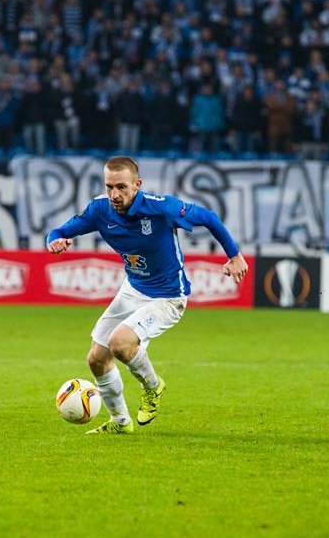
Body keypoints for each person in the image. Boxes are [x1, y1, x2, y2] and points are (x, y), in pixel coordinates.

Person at [47, 156, 248, 434]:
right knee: (96, 358)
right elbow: (59, 231)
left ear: (137, 184)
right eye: (109, 187)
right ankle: (120, 422)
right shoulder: (99, 210)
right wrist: (55, 241)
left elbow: (208, 217)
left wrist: (234, 256)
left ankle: (153, 387)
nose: (114, 195)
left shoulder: (161, 207)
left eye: (122, 187)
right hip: (132, 289)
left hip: (168, 296)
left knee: (120, 343)